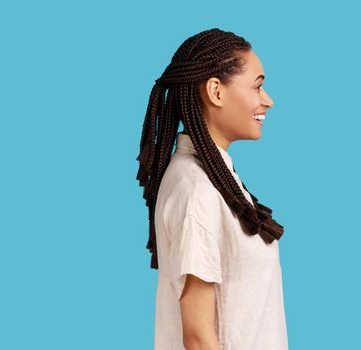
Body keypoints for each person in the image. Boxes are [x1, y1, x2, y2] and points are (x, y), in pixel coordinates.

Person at [136, 28, 288, 350]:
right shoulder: (197, 191)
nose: (268, 100)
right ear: (216, 91)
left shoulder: (213, 179)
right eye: (258, 86)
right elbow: (198, 337)